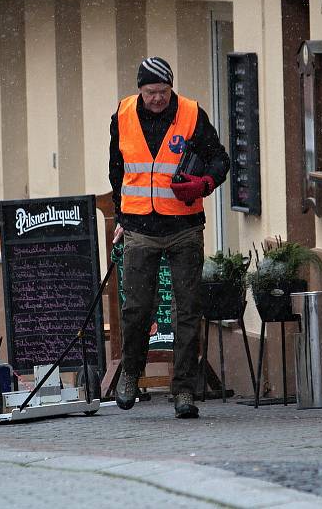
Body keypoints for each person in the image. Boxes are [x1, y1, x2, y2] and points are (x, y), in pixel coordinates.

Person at [109, 56, 230, 419]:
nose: (158, 99)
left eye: (163, 91)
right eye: (151, 92)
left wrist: (205, 183)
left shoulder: (193, 114)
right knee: (136, 309)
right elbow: (117, 168)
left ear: (171, 88)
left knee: (187, 311)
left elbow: (220, 160)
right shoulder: (123, 115)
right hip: (139, 228)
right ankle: (131, 372)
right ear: (139, 90)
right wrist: (120, 215)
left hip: (184, 227)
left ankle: (184, 390)